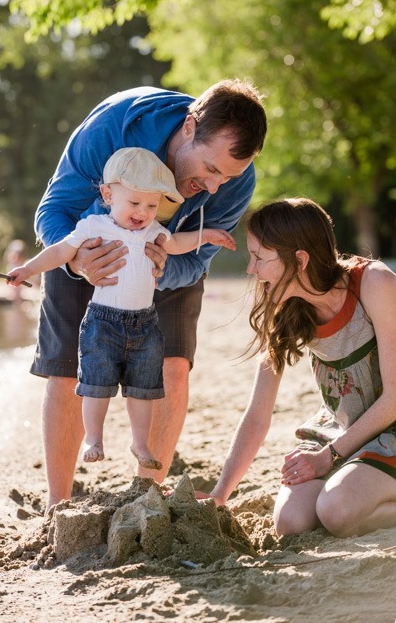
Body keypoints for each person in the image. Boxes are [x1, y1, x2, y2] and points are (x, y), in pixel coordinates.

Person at [31, 79, 267, 511]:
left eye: (228, 176)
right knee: (68, 372)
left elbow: (196, 262)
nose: (216, 187)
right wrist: (76, 258)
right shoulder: (116, 124)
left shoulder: (235, 181)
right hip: (84, 243)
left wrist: (160, 269)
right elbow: (54, 207)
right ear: (191, 127)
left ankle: (147, 502)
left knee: (172, 369)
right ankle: (57, 505)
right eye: (211, 170)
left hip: (168, 260)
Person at [8, 147, 236, 471]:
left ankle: (140, 442)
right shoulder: (95, 226)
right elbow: (59, 251)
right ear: (107, 194)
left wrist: (207, 235)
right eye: (134, 203)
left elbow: (177, 244)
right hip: (103, 321)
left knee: (144, 389)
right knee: (95, 384)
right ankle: (94, 438)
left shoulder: (154, 231)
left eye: (152, 205)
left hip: (145, 323)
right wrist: (28, 269)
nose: (143, 211)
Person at [203, 197, 396, 538]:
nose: (251, 269)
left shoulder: (374, 283)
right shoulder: (283, 307)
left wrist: (329, 458)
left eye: (260, 258)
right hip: (343, 427)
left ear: (300, 260)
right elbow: (257, 414)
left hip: (390, 425)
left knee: (336, 512)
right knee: (291, 523)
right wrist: (219, 495)